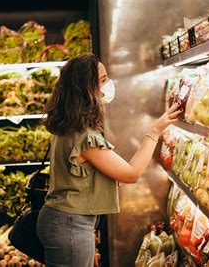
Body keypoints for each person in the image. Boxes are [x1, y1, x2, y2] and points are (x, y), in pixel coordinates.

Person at [37, 54, 181, 267]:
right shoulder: (85, 137)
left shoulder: (67, 125)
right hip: (69, 224)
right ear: (87, 88)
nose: (108, 84)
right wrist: (154, 131)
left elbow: (84, 171)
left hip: (63, 220)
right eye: (103, 80)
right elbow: (131, 174)